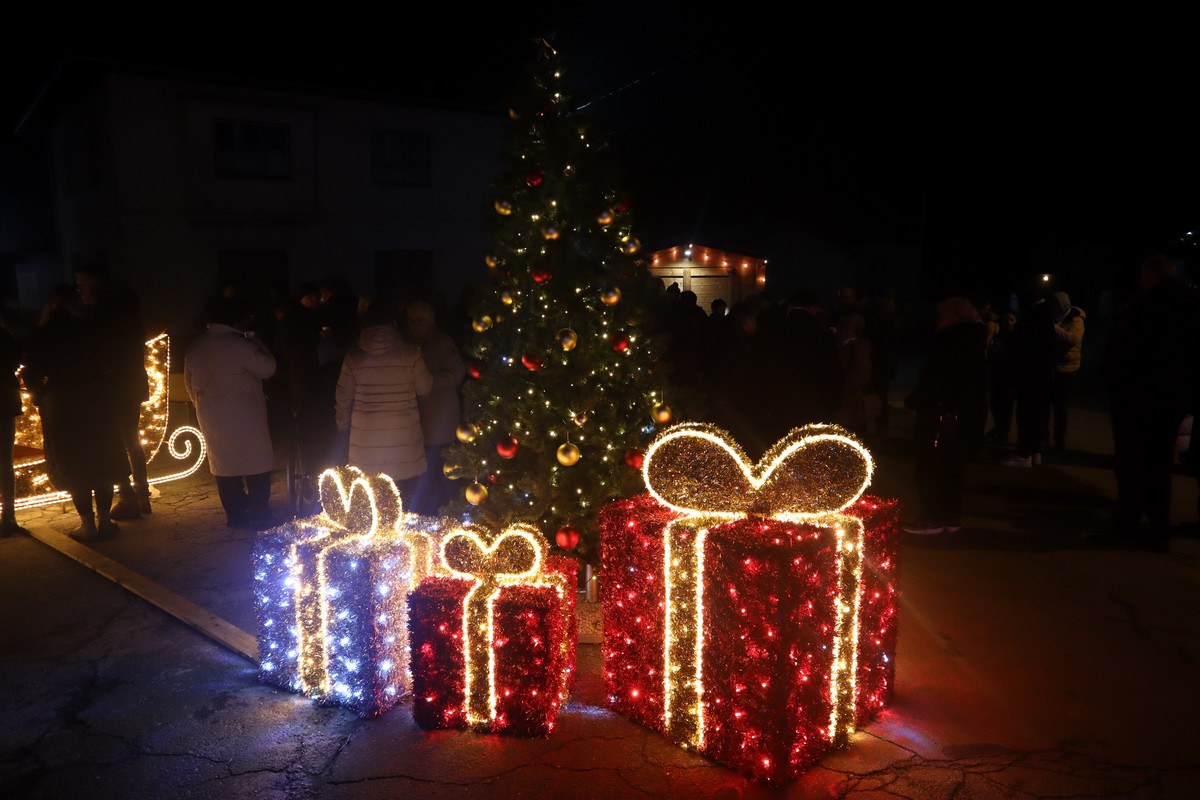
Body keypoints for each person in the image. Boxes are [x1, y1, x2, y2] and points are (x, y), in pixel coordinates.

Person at [1102, 254, 1200, 551]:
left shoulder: (1148, 308)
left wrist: (1116, 383)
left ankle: (1126, 527)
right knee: (1158, 466)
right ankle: (1158, 530)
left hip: (1139, 400)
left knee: (1132, 465)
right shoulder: (1191, 308)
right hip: (1172, 401)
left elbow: (1127, 353)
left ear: (1150, 276)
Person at [22, 285, 130, 542]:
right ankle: (105, 521)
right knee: (101, 459)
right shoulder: (93, 328)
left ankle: (87, 526)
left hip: (61, 401)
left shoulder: (41, 334)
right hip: (98, 398)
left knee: (74, 462)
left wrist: (40, 396)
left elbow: (31, 372)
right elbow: (113, 360)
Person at [185, 295, 279, 530]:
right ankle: (260, 513)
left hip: (211, 414)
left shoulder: (196, 346)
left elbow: (189, 382)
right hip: (245, 412)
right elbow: (268, 368)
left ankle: (236, 515)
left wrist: (201, 405)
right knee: (256, 463)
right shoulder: (239, 344)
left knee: (224, 464)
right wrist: (257, 340)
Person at [901, 296, 988, 535]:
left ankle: (932, 520)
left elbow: (940, 383)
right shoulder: (975, 343)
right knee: (952, 471)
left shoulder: (950, 344)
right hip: (964, 418)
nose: (937, 322)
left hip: (941, 418)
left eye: (941, 317)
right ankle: (951, 518)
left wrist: (915, 400)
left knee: (930, 469)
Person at [334, 296, 433, 503]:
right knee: (404, 500)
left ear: (367, 322)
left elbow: (343, 398)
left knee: (372, 501)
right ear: (395, 322)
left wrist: (342, 426)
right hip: (403, 436)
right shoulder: (411, 353)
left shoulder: (354, 357)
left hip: (365, 439)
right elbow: (425, 389)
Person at [74, 263, 152, 519]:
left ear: (97, 285)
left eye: (82, 285)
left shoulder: (104, 314)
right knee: (130, 439)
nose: (79, 290)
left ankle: (128, 495)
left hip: (112, 386)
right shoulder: (127, 309)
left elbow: (104, 352)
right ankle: (141, 492)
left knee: (116, 441)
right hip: (130, 382)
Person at [405, 299, 465, 516]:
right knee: (426, 478)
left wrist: (428, 382)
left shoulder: (442, 344)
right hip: (422, 424)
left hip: (442, 422)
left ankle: (454, 516)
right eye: (410, 321)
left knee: (447, 475)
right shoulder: (410, 345)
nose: (414, 325)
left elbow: (457, 373)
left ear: (431, 321)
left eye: (419, 321)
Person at [1002, 293, 1063, 468]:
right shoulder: (1048, 323)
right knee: (1040, 416)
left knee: (1026, 415)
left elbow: (1019, 349)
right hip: (1044, 378)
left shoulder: (1028, 321)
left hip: (1027, 377)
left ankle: (1025, 455)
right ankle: (1037, 453)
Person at [0, 314, 28, 536]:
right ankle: (8, 516)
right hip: (5, 402)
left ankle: (8, 516)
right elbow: (21, 358)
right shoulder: (6, 336)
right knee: (4, 461)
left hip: (6, 402)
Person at [1050, 291, 1086, 451]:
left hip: (1066, 369)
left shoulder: (1076, 320)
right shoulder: (1056, 317)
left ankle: (1059, 440)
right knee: (1051, 405)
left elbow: (1073, 339)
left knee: (1060, 407)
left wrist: (1055, 329)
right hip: (1054, 366)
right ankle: (1048, 438)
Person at [834, 311, 874, 437]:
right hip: (840, 404)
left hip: (849, 406)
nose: (841, 331)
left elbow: (861, 377)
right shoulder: (839, 345)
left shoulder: (858, 348)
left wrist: (838, 382)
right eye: (841, 326)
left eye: (846, 328)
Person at [984, 308, 1019, 443]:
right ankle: (998, 429)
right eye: (1006, 320)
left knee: (1006, 407)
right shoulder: (998, 335)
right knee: (994, 404)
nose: (1008, 323)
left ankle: (1002, 433)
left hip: (1010, 378)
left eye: (1012, 320)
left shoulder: (1017, 338)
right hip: (997, 376)